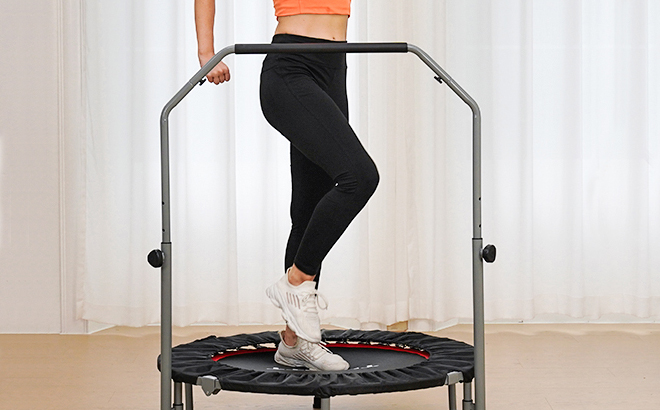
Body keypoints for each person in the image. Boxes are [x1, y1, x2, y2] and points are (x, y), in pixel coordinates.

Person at [194, 0, 379, 371]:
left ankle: (295, 342)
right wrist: (206, 52)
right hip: (290, 69)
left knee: (309, 209)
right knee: (360, 177)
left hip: (333, 68)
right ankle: (296, 281)